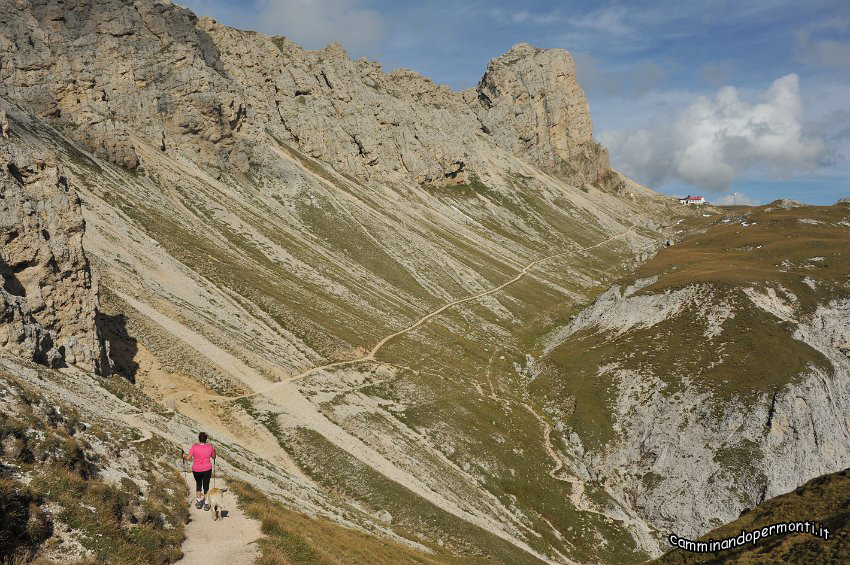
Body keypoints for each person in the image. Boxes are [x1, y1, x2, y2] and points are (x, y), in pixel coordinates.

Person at [182, 432, 216, 510]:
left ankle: (198, 502)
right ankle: (206, 504)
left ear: (199, 438)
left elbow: (188, 458)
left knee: (198, 484)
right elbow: (214, 457)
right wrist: (213, 450)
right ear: (206, 439)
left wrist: (183, 456)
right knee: (206, 486)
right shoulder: (210, 447)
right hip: (207, 469)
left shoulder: (194, 447)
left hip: (196, 469)